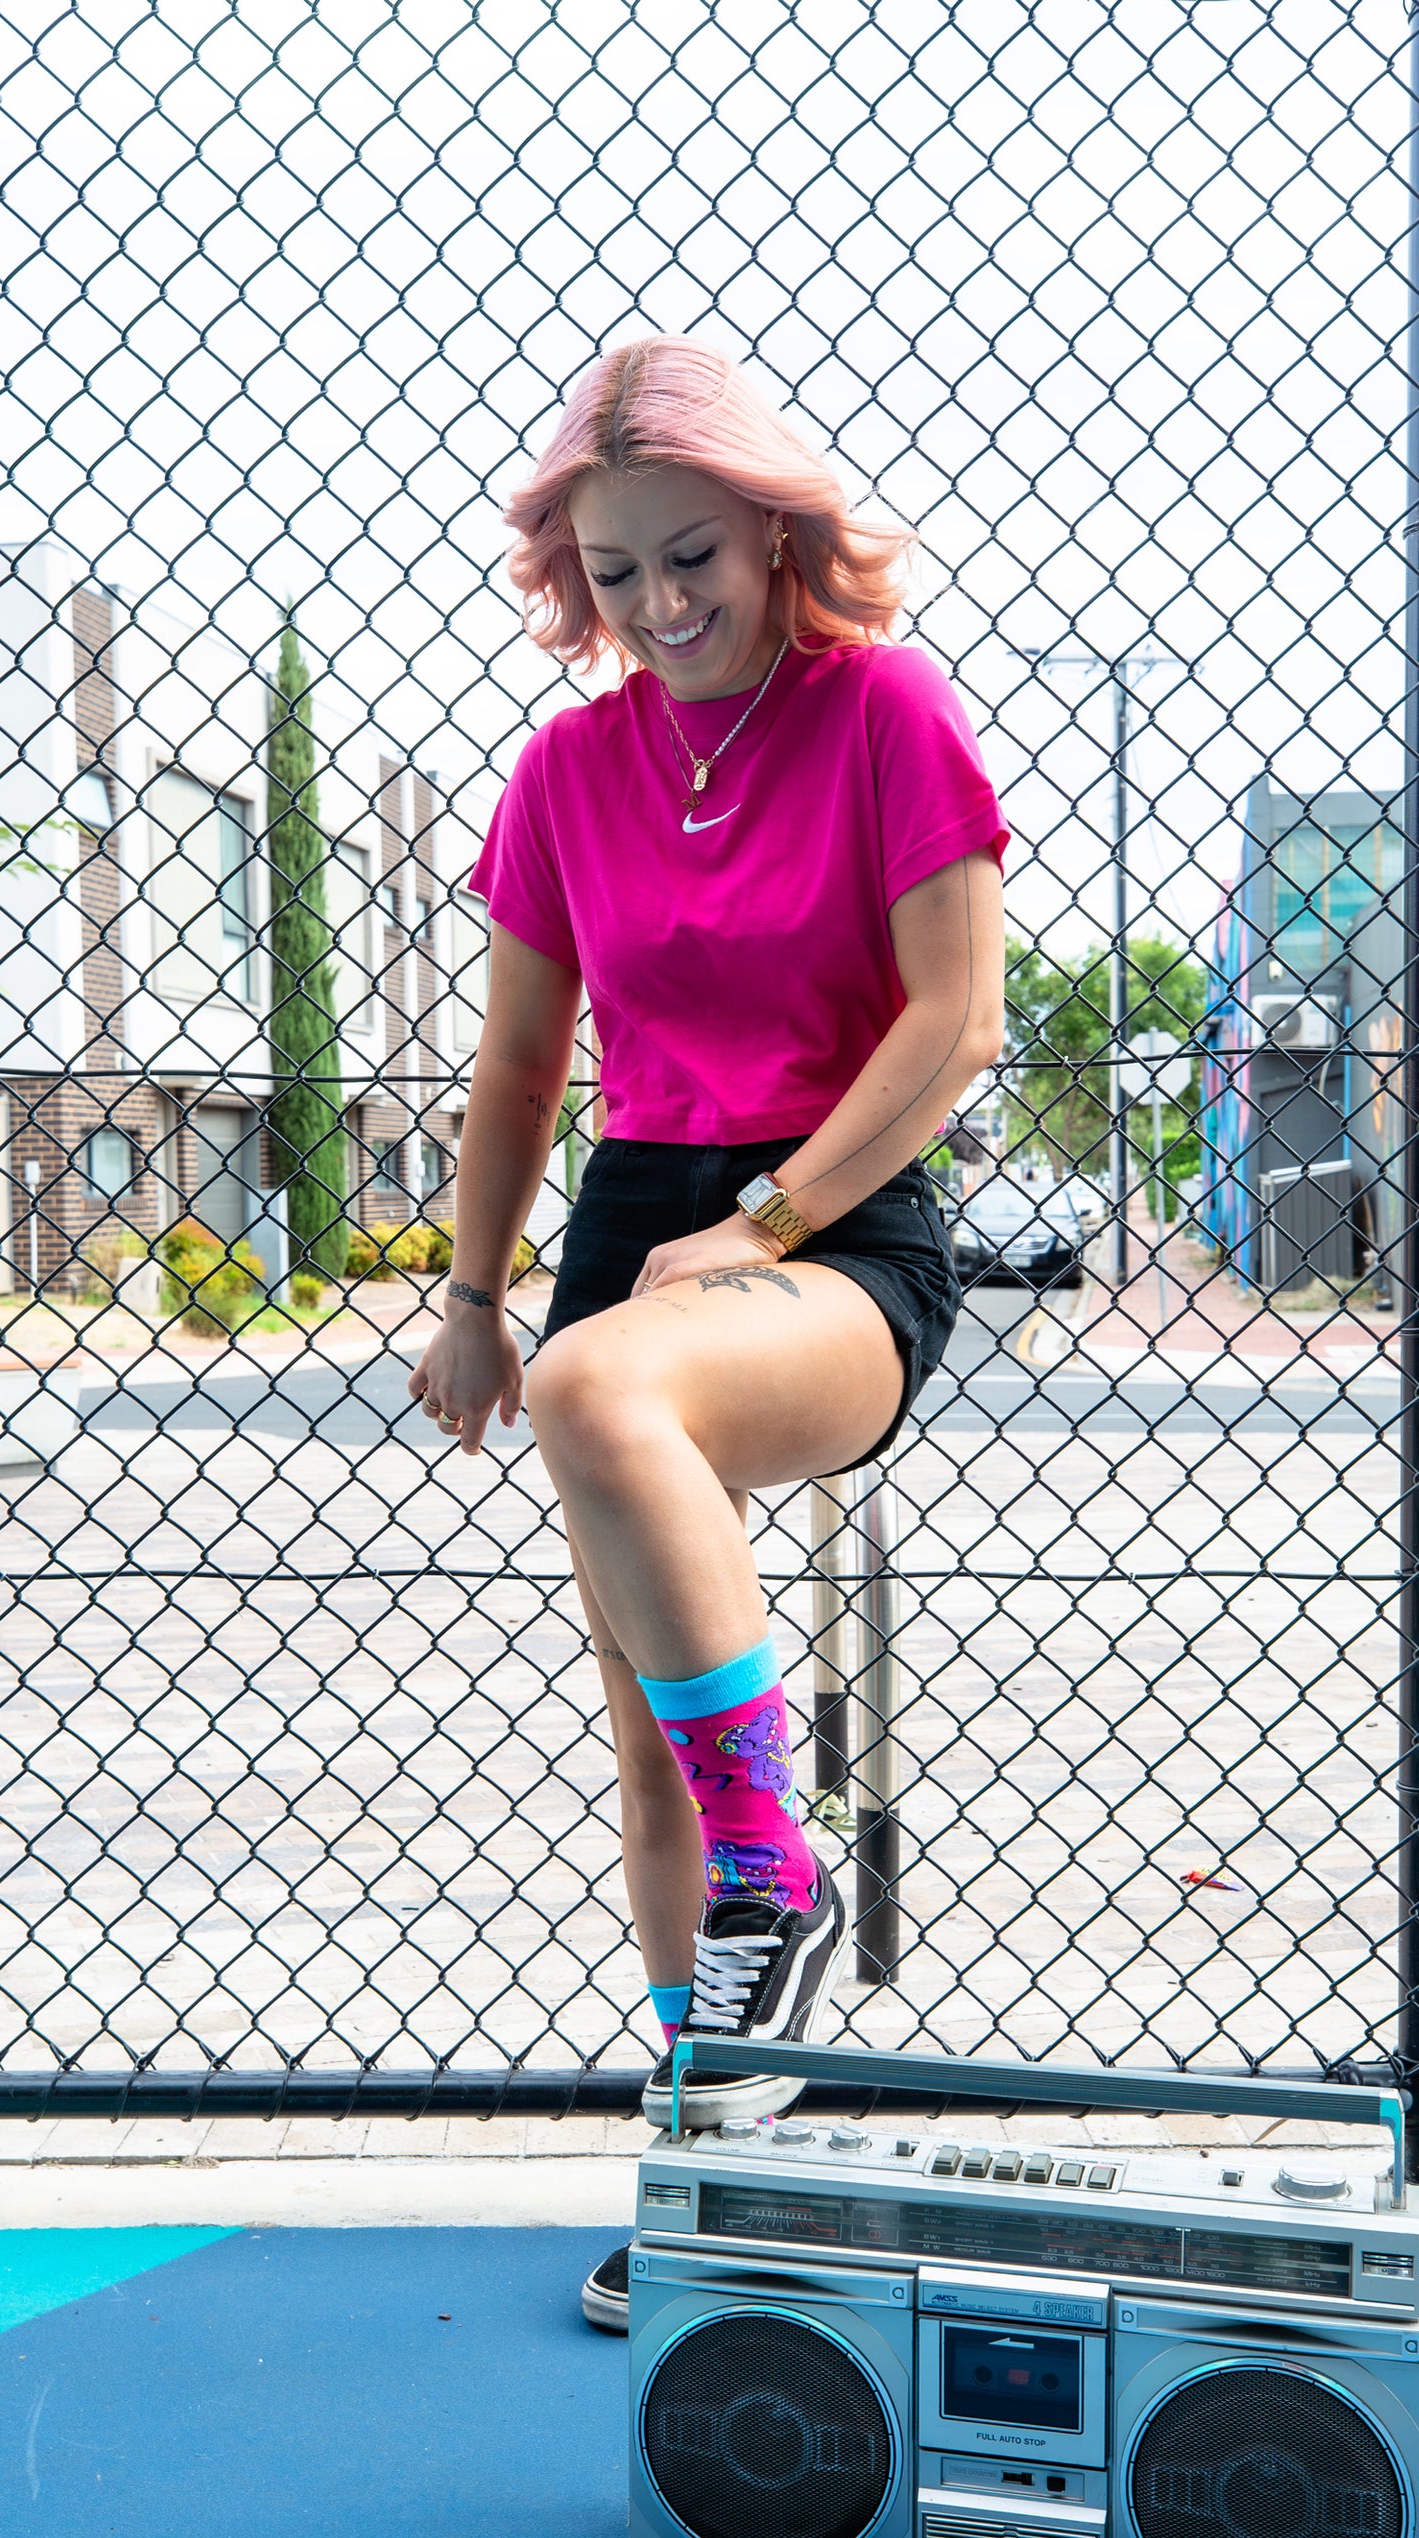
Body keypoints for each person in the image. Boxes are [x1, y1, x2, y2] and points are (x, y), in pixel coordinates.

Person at [409, 337, 1007, 2332]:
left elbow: (956, 1024)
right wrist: (477, 1298)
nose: (660, 605)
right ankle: (721, 2149)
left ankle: (784, 1862)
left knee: (612, 1388)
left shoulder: (884, 713)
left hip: (837, 1232)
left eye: (694, 557)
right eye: (618, 571)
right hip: (628, 1220)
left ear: (769, 527)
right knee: (647, 1749)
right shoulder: (568, 769)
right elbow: (515, 1065)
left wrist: (768, 1220)